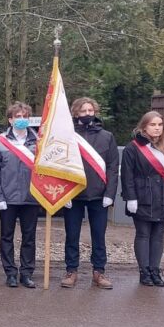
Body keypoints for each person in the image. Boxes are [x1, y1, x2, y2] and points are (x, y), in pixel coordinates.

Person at [121, 112, 164, 287]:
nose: (157, 128)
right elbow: (127, 176)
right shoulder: (132, 148)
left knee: (158, 236)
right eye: (152, 124)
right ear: (144, 127)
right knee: (143, 234)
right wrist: (130, 197)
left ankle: (155, 270)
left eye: (160, 124)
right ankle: (144, 271)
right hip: (142, 198)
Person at [61, 97, 120, 289]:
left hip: (99, 194)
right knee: (72, 235)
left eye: (90, 110)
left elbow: (112, 167)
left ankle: (99, 272)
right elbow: (60, 165)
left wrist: (110, 194)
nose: (87, 114)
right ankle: (71, 271)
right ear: (76, 113)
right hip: (74, 194)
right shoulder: (67, 136)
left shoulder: (107, 136)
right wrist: (64, 193)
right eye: (83, 111)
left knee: (98, 235)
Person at [0, 102, 40, 288]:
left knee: (29, 237)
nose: (21, 120)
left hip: (31, 197)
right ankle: (10, 272)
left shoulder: (38, 140)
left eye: (25, 116)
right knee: (6, 236)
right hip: (7, 198)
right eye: (18, 117)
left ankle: (26, 273)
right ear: (10, 120)